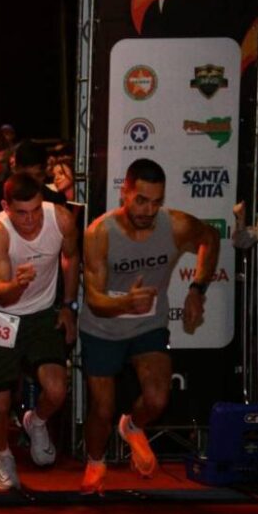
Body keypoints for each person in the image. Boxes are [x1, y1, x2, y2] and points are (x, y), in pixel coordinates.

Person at [79, 158, 219, 493]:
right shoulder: (100, 233)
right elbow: (95, 299)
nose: (148, 210)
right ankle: (96, 461)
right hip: (103, 327)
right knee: (101, 407)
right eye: (141, 200)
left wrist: (197, 289)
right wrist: (126, 302)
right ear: (123, 193)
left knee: (157, 398)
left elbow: (210, 238)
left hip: (147, 324)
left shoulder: (175, 225)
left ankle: (131, 426)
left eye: (156, 202)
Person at [0, 173, 79, 490]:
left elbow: (71, 257)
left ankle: (35, 421)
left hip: (40, 315)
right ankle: (3, 454)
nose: (31, 219)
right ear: (6, 207)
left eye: (36, 209)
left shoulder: (60, 218)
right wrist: (18, 284)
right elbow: (2, 292)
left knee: (57, 390)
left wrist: (68, 306)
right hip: (3, 316)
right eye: (21, 212)